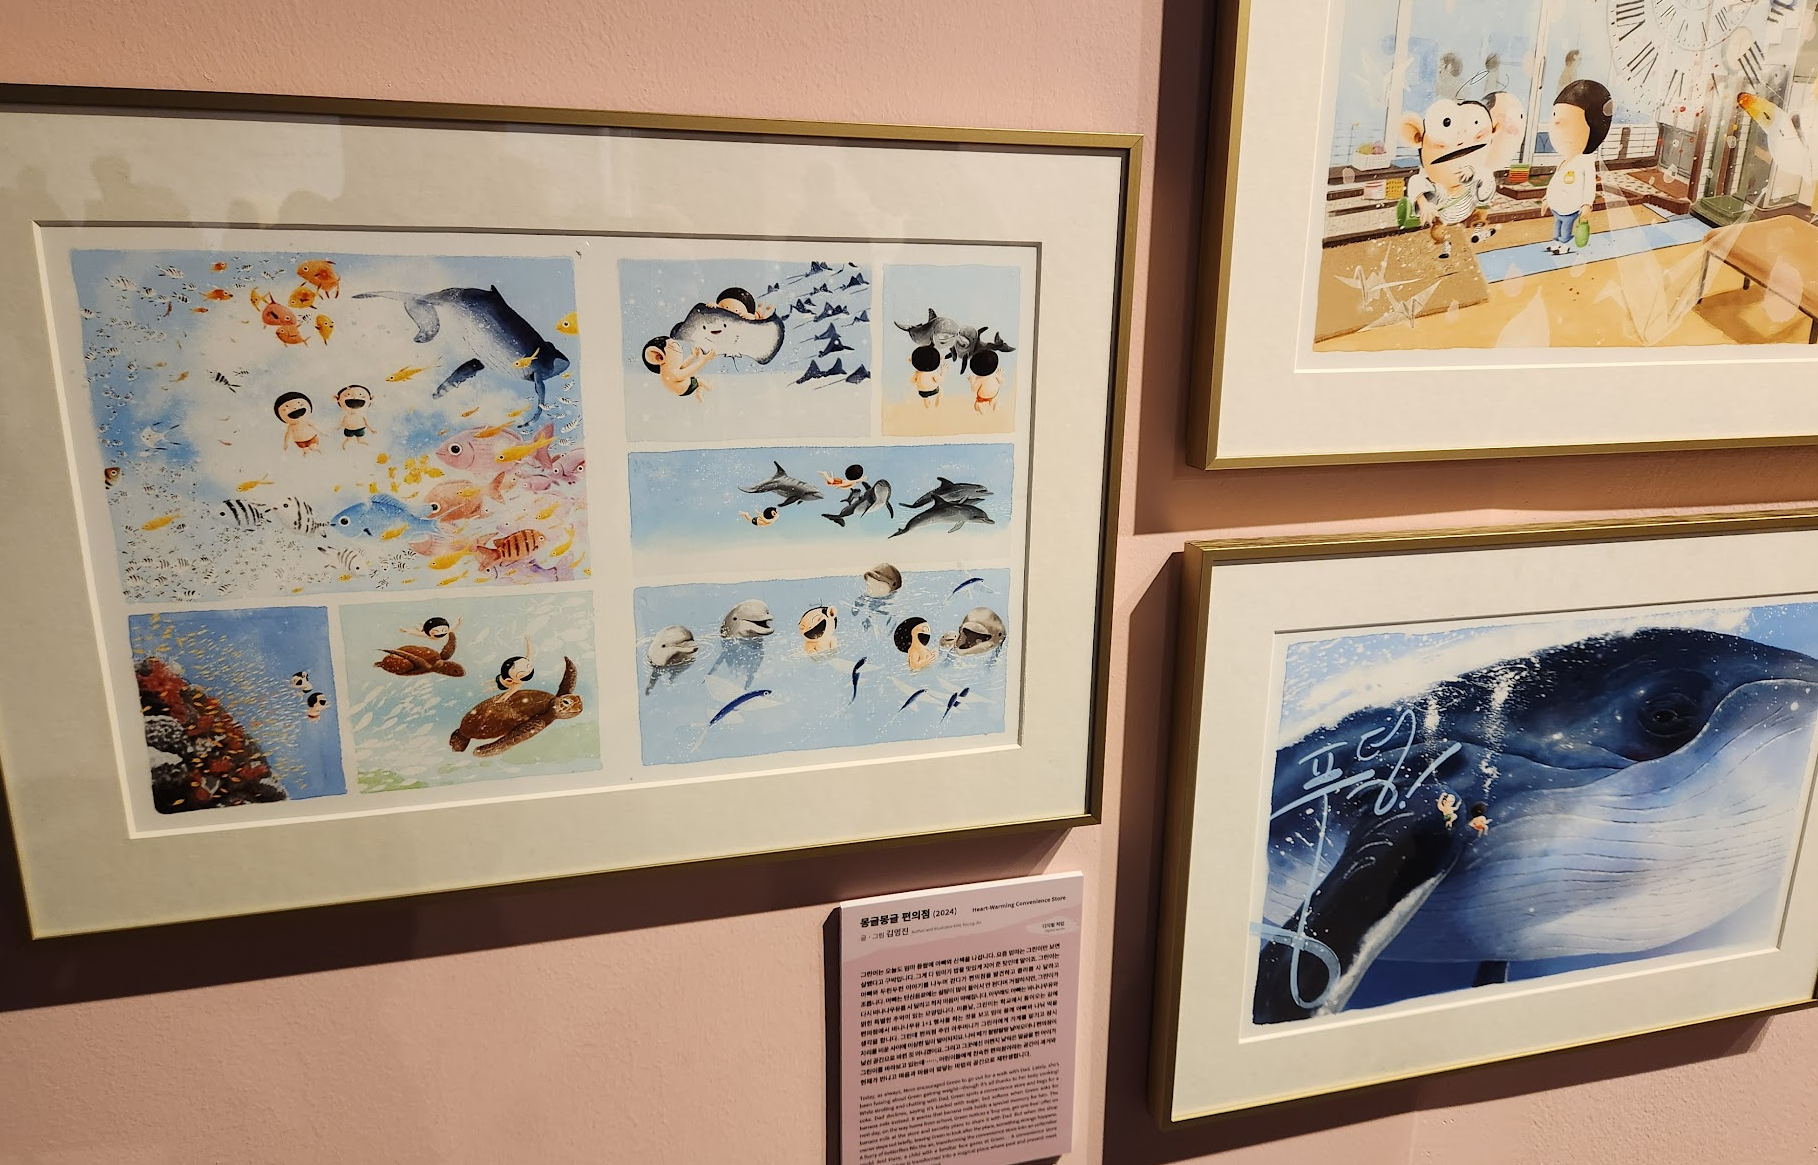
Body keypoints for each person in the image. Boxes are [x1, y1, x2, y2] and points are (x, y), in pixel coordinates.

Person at [1544, 79, 1612, 256]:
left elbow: (1589, 185)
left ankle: (1564, 245)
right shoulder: (1565, 160)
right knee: (1557, 225)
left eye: (1569, 121)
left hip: (1571, 207)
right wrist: (1547, 198)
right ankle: (1556, 242)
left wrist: (1587, 204)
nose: (1556, 124)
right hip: (1557, 206)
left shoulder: (1585, 161)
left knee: (1565, 227)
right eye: (1554, 117)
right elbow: (1556, 181)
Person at [642, 336, 715, 398]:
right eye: (675, 346)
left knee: (698, 382)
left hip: (683, 386)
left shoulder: (669, 371)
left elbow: (683, 367)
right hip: (685, 389)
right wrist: (704, 360)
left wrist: (693, 356)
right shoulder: (671, 374)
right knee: (699, 380)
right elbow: (690, 370)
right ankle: (709, 388)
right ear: (659, 357)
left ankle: (699, 394)